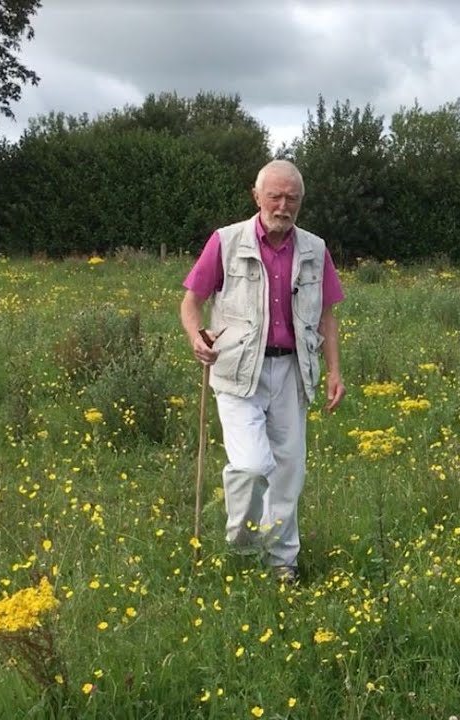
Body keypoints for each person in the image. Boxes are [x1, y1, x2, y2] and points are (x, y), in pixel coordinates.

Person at [179, 159, 345, 584]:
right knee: (252, 466)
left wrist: (333, 371)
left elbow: (327, 315)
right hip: (236, 371)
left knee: (288, 471)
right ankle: (243, 540)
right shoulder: (226, 241)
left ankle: (281, 563)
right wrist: (196, 335)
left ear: (301, 203)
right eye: (275, 195)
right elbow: (191, 301)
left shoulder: (315, 249)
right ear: (257, 197)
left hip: (292, 370)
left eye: (292, 198)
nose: (283, 205)